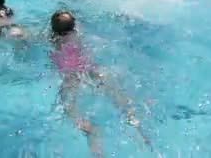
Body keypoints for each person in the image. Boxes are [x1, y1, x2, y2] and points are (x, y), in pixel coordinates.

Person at [49, 10, 150, 157]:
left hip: (70, 77)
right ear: (74, 26)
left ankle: (93, 137)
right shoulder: (77, 35)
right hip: (91, 69)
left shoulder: (52, 40)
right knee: (120, 100)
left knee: (72, 113)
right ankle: (139, 127)